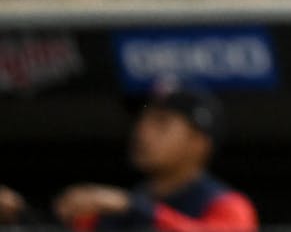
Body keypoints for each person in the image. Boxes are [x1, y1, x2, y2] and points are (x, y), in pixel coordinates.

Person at [0, 79, 258, 230]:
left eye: (161, 123)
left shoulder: (227, 204)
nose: (142, 132)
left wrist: (131, 207)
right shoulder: (121, 205)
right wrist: (22, 214)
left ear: (198, 142)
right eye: (141, 121)